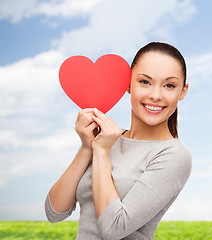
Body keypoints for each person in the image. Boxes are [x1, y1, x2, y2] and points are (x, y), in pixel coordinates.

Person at [45, 42, 192, 240]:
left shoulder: (174, 155)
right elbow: (54, 212)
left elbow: (114, 228)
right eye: (145, 82)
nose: (155, 95)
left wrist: (102, 152)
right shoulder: (107, 138)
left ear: (183, 91)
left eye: (169, 85)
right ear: (128, 85)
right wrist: (87, 147)